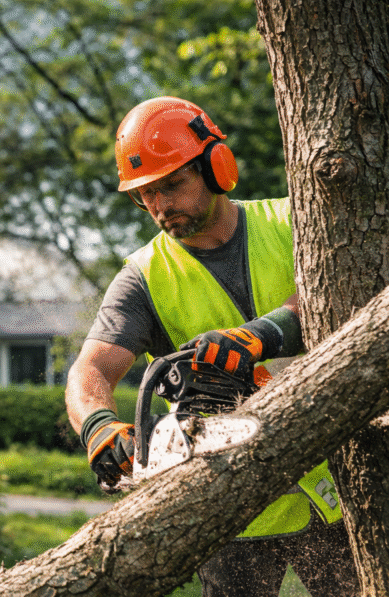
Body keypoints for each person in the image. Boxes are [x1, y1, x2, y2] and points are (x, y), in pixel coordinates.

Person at [64, 96, 358, 596]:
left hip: (337, 486)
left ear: (216, 166)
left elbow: (342, 290)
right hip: (227, 507)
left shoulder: (293, 223)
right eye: (145, 196)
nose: (159, 207)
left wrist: (259, 336)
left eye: (172, 185)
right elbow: (89, 369)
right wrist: (97, 425)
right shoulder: (143, 277)